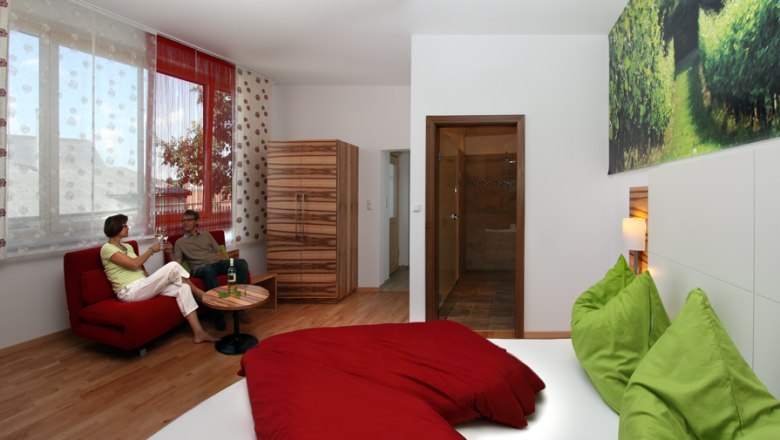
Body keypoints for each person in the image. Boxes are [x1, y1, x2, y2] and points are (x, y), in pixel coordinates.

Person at [100, 214, 218, 344]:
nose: (128, 228)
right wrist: (151, 250)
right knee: (173, 266)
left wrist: (152, 279)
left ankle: (199, 333)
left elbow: (139, 268)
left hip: (141, 285)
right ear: (116, 227)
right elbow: (133, 264)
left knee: (183, 288)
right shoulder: (107, 248)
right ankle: (200, 294)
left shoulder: (127, 246)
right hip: (129, 291)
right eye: (125, 225)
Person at [168, 209, 250, 330]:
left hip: (217, 263)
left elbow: (218, 252)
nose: (185, 222)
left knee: (241, 263)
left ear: (196, 222)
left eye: (189, 219)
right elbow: (177, 263)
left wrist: (227, 263)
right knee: (209, 271)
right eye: (183, 220)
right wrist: (170, 253)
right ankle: (218, 314)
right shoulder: (180, 242)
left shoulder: (206, 235)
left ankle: (240, 306)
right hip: (200, 268)